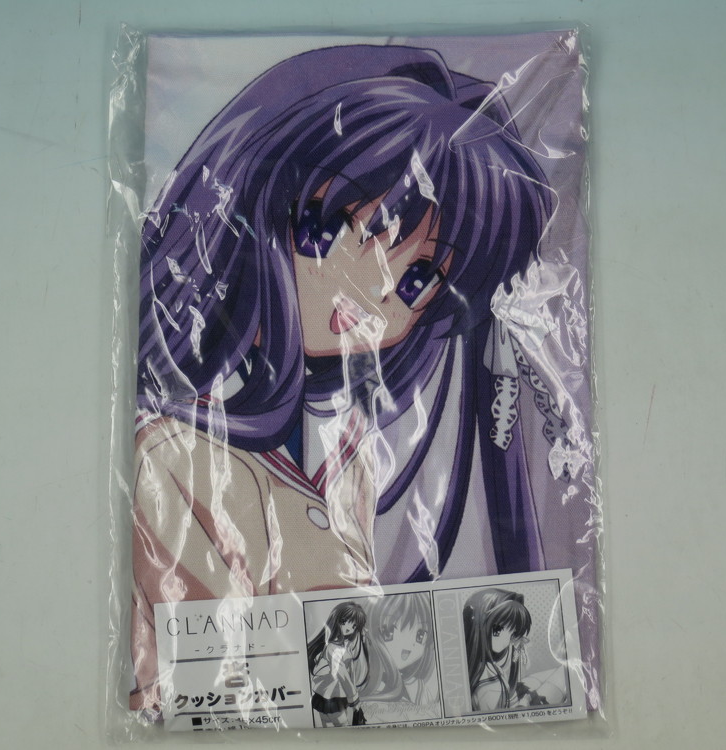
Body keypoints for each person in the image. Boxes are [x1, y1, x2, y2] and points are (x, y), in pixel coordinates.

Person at [130, 43, 554, 712]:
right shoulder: (168, 454)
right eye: (326, 232)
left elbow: (347, 644)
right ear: (256, 202)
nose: (367, 290)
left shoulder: (348, 446)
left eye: (416, 281)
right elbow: (197, 681)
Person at [462, 588, 565, 712]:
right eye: (499, 629)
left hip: (510, 697)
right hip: (521, 710)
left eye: (514, 631)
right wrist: (525, 702)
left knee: (557, 672)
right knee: (564, 673)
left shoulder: (483, 669)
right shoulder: (488, 685)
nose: (513, 638)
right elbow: (503, 717)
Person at [362, 594, 439, 718]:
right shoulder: (367, 685)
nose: (407, 646)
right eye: (389, 631)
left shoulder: (417, 686)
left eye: (420, 635)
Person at [307, 602, 369, 727]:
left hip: (332, 695)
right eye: (344, 621)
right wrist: (354, 700)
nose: (349, 628)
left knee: (329, 728)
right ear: (336, 620)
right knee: (343, 728)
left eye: (354, 626)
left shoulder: (341, 645)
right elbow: (343, 675)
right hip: (332, 696)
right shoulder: (333, 648)